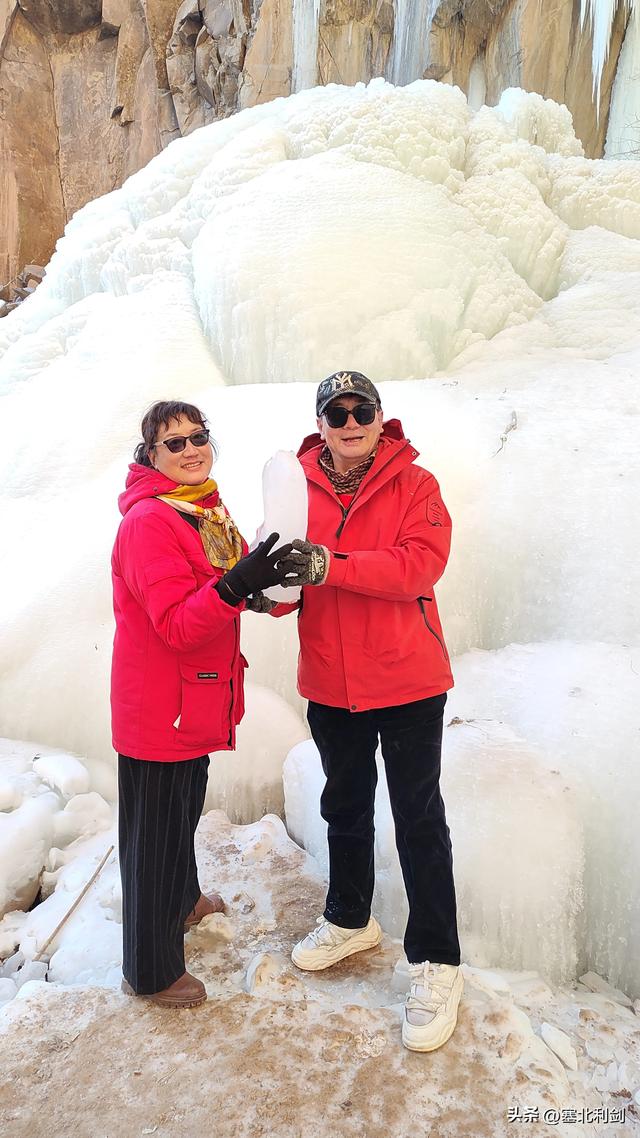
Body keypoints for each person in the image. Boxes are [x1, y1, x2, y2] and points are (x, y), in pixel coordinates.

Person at [272, 371, 463, 1052]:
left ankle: (438, 960)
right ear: (320, 423)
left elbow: (417, 567)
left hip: (408, 681)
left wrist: (330, 565)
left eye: (362, 410)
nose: (350, 422)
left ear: (381, 417)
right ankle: (350, 918)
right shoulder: (294, 487)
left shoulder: (416, 485)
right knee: (345, 807)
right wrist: (269, 589)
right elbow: (289, 584)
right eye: (337, 412)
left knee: (418, 817)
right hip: (332, 682)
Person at [111, 400, 291, 1008]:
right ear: (150, 456)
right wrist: (240, 584)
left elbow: (230, 578)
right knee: (154, 836)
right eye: (174, 442)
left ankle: (182, 899)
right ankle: (150, 970)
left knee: (179, 813)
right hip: (160, 705)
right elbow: (177, 624)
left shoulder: (203, 508)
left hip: (194, 699)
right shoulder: (149, 523)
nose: (190, 449)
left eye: (198, 437)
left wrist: (272, 588)